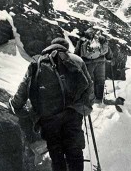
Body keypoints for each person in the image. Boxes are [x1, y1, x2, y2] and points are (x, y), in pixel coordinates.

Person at [9, 37, 94, 171]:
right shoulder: (77, 60)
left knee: (56, 153)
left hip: (48, 117)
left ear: (51, 46)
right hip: (72, 114)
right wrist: (84, 106)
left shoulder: (37, 62)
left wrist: (15, 104)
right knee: (75, 151)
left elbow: (24, 86)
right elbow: (89, 87)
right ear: (65, 47)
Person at [74, 28, 113, 104]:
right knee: (100, 79)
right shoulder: (100, 38)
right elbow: (108, 49)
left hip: (88, 62)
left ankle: (89, 99)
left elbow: (77, 51)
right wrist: (110, 58)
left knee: (89, 80)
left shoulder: (83, 39)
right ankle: (99, 99)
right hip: (101, 61)